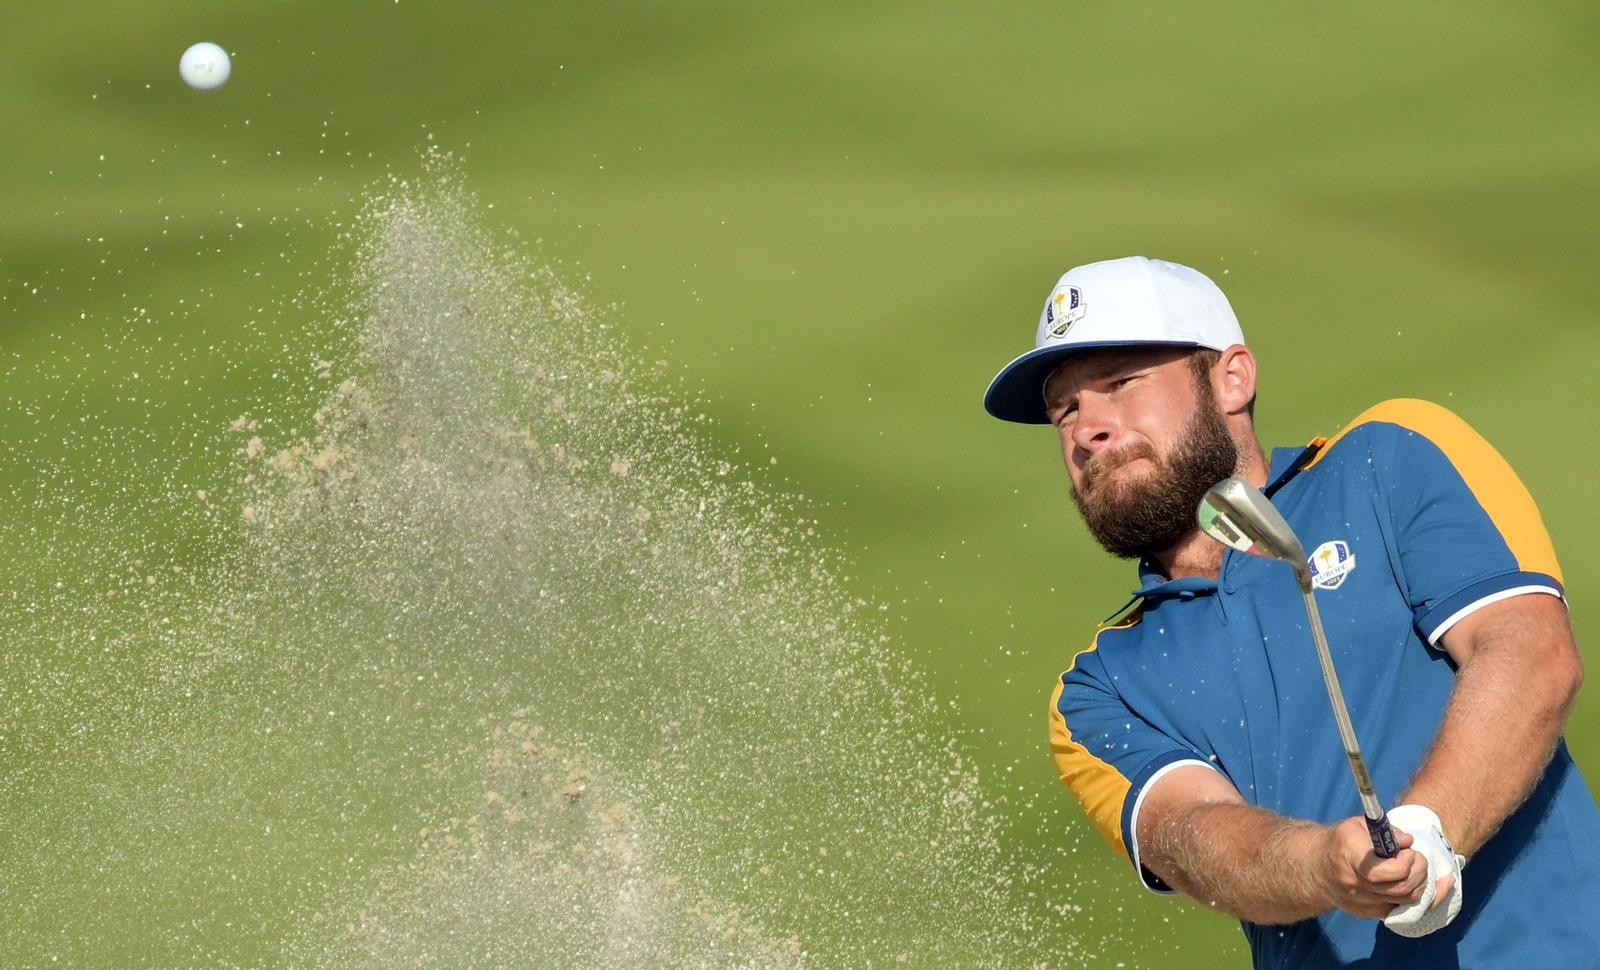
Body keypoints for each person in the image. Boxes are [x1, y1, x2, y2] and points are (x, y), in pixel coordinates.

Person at [982, 256, 1599, 967]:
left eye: (1121, 383)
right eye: (1065, 411)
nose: (1087, 428)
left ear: (1232, 378)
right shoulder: (1098, 689)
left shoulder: (1388, 459)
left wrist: (1431, 833)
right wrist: (1326, 866)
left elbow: (1529, 651)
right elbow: (1194, 836)